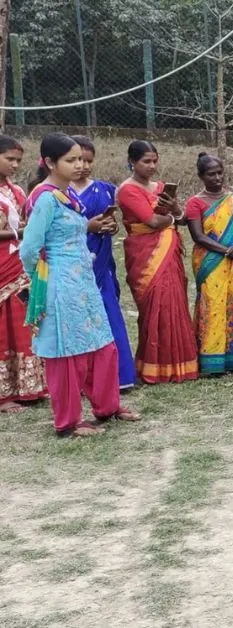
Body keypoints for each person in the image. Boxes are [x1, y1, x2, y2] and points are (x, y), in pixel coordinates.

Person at [20, 133, 138, 438]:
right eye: (70, 160)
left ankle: (107, 406)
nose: (78, 165)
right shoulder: (45, 198)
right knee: (67, 353)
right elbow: (29, 248)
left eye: (82, 159)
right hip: (61, 284)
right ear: (50, 163)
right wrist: (42, 280)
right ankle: (68, 421)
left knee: (101, 344)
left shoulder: (67, 194)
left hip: (83, 281)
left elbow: (70, 229)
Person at [117, 140, 199, 384]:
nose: (152, 166)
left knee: (174, 301)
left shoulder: (161, 187)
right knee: (155, 305)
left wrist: (174, 209)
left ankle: (180, 363)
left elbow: (182, 218)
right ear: (132, 162)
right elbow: (152, 221)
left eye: (155, 161)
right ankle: (153, 365)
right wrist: (172, 218)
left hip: (168, 251)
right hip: (145, 253)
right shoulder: (127, 190)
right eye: (146, 161)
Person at [68, 135, 136, 390]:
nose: (83, 166)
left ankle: (119, 376)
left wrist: (110, 227)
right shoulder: (57, 193)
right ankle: (82, 379)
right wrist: (88, 227)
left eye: (88, 161)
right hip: (72, 264)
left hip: (102, 264)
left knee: (109, 313)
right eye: (77, 160)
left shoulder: (106, 189)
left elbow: (113, 224)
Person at [184, 153, 233, 375]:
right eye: (211, 174)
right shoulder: (194, 203)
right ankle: (212, 359)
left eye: (219, 173)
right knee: (214, 305)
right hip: (211, 261)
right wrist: (227, 251)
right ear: (201, 176)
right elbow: (198, 236)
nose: (217, 178)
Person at [0, 135, 47, 412]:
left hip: (20, 263)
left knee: (25, 320)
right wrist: (22, 232)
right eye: (10, 159)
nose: (15, 165)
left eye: (18, 160)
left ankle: (29, 385)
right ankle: (4, 394)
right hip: (3, 264)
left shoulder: (16, 190)